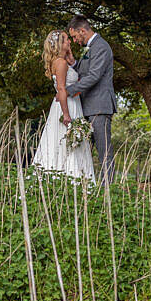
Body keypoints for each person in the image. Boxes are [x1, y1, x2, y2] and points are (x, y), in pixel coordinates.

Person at [33, 29, 95, 182]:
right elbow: (61, 89)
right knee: (66, 142)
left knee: (70, 142)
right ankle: (72, 179)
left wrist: (72, 59)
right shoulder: (60, 63)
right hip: (67, 106)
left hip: (73, 104)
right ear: (60, 44)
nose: (69, 42)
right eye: (67, 39)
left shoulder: (63, 61)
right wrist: (66, 115)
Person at [62, 14, 117, 185]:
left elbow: (93, 76)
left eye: (74, 36)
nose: (75, 40)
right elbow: (85, 71)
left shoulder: (101, 46)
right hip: (88, 107)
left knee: (104, 151)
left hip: (99, 107)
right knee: (87, 152)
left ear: (82, 31)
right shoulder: (90, 47)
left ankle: (109, 191)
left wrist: (68, 91)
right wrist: (73, 63)